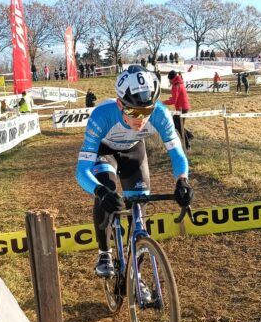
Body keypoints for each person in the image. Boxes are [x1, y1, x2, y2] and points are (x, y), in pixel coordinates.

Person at [75, 65, 193, 278]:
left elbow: (177, 154)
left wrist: (182, 180)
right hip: (105, 150)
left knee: (139, 210)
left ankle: (135, 278)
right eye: (133, 111)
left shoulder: (160, 114)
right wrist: (100, 192)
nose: (141, 118)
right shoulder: (101, 116)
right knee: (107, 189)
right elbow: (82, 171)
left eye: (146, 111)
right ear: (120, 104)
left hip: (133, 152)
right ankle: (104, 254)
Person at [163, 70, 191, 150]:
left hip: (182, 109)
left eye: (169, 79)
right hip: (183, 107)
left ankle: (187, 145)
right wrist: (171, 98)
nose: (169, 81)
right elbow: (179, 97)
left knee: (179, 127)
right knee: (175, 124)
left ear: (171, 79)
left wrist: (163, 102)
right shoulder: (180, 83)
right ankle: (189, 135)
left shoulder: (175, 86)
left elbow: (174, 101)